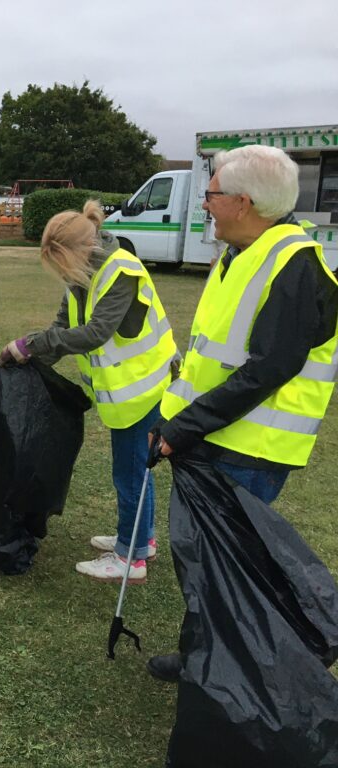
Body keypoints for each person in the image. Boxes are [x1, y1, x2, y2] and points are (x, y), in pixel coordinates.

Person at [149, 143, 338, 682]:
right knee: (209, 566)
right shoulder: (241, 253)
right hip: (214, 436)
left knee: (232, 571)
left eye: (211, 194)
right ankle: (206, 660)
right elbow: (214, 358)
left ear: (244, 202)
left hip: (250, 448)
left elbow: (265, 372)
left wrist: (182, 428)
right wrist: (174, 421)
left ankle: (235, 677)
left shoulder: (293, 267)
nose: (204, 204)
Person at [0, 201, 178, 584]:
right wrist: (35, 357)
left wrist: (30, 344)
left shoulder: (121, 271)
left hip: (144, 389)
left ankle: (130, 558)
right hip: (123, 393)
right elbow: (63, 326)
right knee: (134, 471)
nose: (61, 271)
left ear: (79, 249)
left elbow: (95, 333)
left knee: (130, 475)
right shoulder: (83, 272)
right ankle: (141, 540)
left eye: (61, 260)